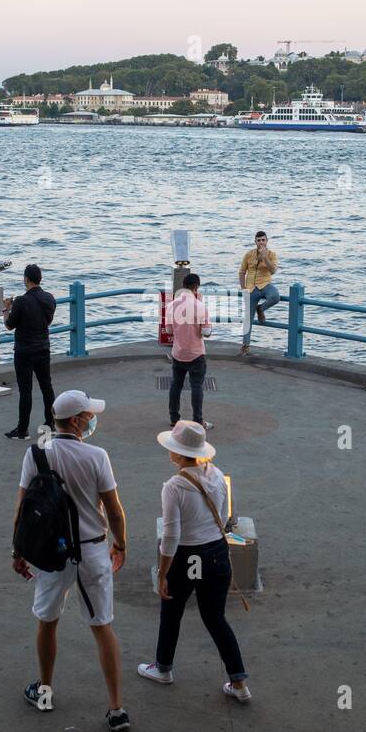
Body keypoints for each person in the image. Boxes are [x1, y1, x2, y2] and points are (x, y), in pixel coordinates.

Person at [13, 390, 131, 731]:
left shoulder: (35, 454)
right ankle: (116, 709)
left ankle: (45, 691)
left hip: (53, 554)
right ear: (77, 421)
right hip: (93, 550)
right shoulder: (97, 456)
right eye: (89, 415)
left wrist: (18, 552)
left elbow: (22, 509)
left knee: (48, 622)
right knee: (102, 627)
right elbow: (114, 510)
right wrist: (120, 545)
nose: (93, 419)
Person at [137, 421, 249, 702]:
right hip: (216, 554)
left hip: (186, 557)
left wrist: (163, 573)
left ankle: (163, 669)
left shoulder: (174, 486)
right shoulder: (217, 473)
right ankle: (239, 683)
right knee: (215, 619)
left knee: (171, 614)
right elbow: (222, 519)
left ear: (177, 453)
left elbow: (171, 535)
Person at [1, 263, 56, 440]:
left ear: (26, 279)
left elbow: (9, 325)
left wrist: (6, 308)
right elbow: (47, 322)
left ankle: (22, 430)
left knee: (26, 390)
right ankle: (51, 423)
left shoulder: (21, 301)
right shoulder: (49, 298)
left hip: (24, 351)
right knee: (47, 387)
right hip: (43, 348)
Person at [167, 273, 213, 429]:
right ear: (196, 288)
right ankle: (198, 420)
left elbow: (169, 330)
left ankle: (174, 418)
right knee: (197, 387)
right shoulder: (200, 306)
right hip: (196, 354)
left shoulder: (171, 305)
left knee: (175, 385)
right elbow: (206, 333)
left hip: (178, 352)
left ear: (183, 286)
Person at [238, 230, 279, 355]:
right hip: (251, 288)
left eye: (263, 240)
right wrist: (244, 288)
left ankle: (261, 309)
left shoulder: (272, 254)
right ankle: (245, 346)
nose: (261, 242)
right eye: (258, 240)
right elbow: (241, 272)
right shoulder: (249, 255)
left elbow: (273, 270)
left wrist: (264, 256)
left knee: (275, 296)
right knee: (248, 318)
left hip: (265, 284)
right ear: (255, 241)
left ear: (267, 241)